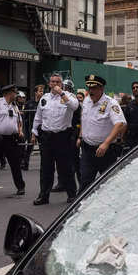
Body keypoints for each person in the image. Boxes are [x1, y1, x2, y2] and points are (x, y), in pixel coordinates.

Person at [31, 74, 79, 205]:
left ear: (62, 84)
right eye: (53, 81)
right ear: (49, 84)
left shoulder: (69, 96)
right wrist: (34, 131)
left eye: (58, 82)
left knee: (65, 167)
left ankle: (71, 194)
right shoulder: (44, 99)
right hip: (47, 136)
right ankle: (43, 196)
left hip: (62, 136)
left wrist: (62, 93)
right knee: (46, 168)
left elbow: (74, 106)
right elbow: (38, 116)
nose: (55, 84)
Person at [78, 74, 127, 192]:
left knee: (108, 183)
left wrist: (106, 143)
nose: (91, 91)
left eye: (94, 88)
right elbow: (84, 120)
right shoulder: (87, 101)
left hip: (105, 151)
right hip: (87, 149)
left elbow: (119, 123)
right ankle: (81, 208)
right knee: (85, 181)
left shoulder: (111, 103)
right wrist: (80, 136)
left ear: (101, 88)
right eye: (89, 88)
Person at [22, 85, 41, 170]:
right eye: (40, 91)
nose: (41, 93)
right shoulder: (29, 103)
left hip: (41, 128)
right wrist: (25, 128)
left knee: (42, 147)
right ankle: (25, 164)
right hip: (30, 128)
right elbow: (25, 116)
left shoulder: (44, 102)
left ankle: (44, 166)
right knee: (29, 146)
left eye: (42, 91)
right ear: (35, 92)